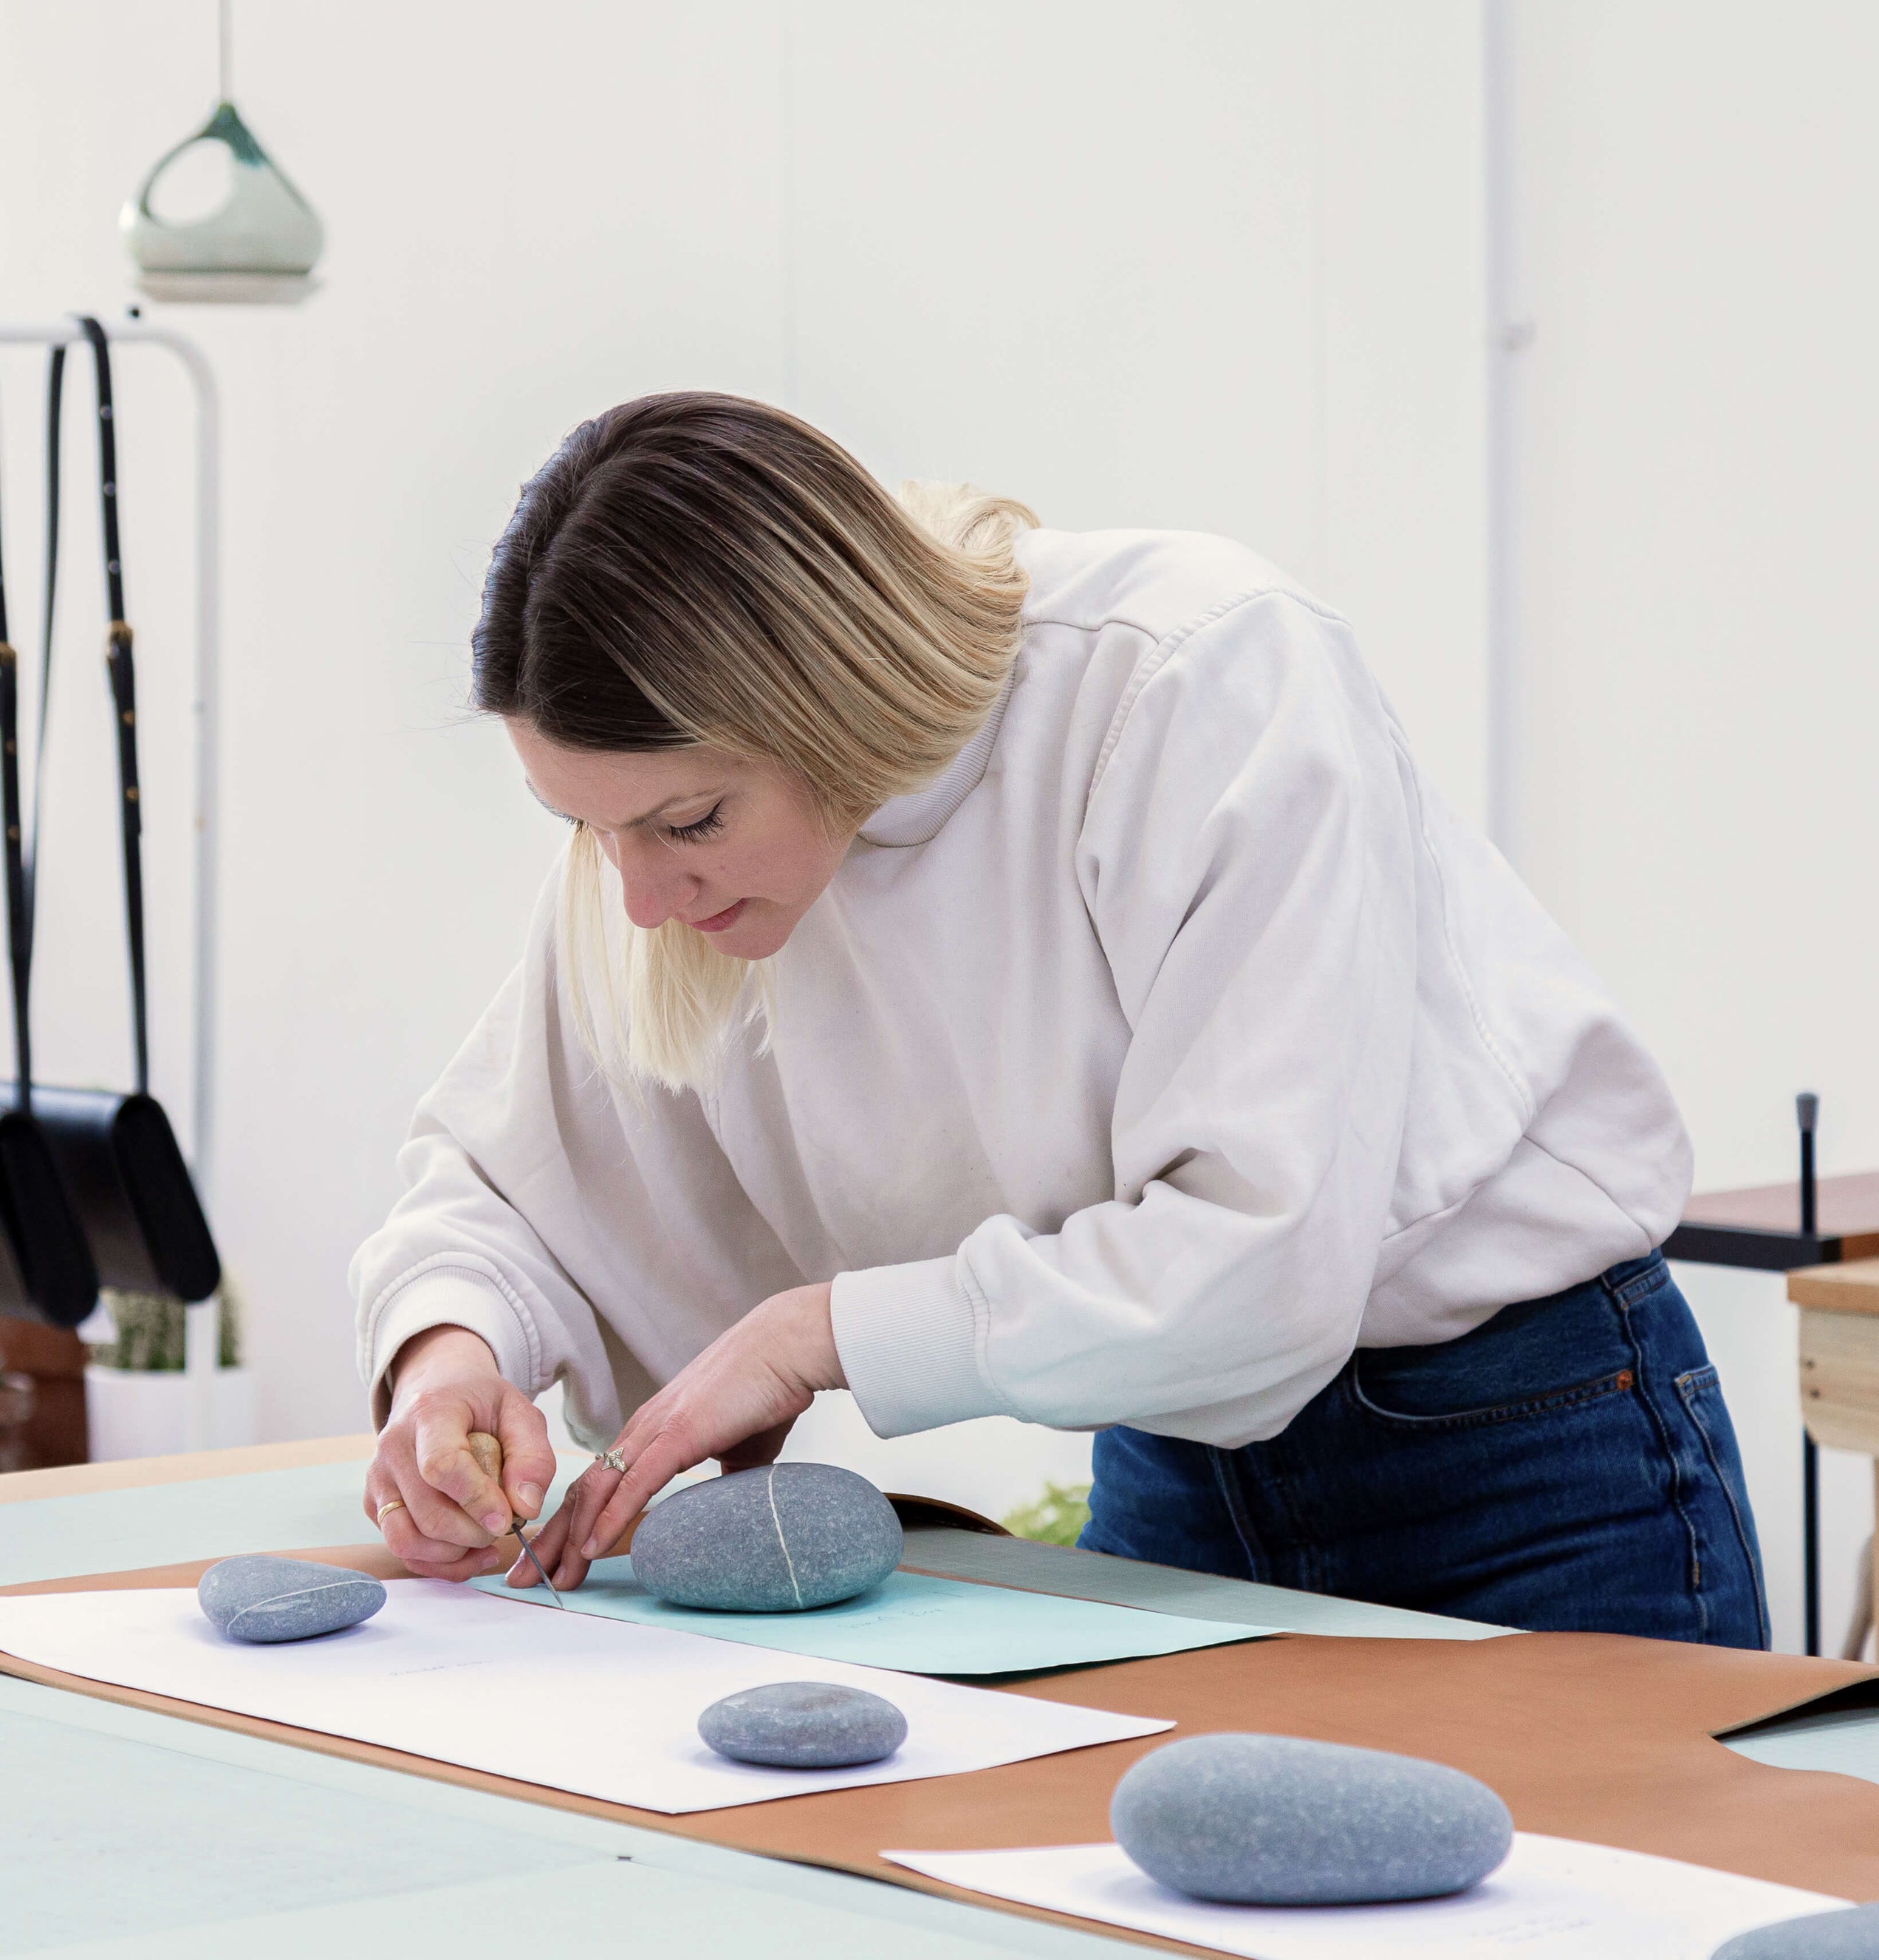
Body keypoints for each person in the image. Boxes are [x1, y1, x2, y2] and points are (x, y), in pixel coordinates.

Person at [350, 392, 1766, 1647]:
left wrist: (817, 1335)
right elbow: (509, 1185)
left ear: (824, 700)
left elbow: (1263, 1277)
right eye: (588, 830)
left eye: (689, 822)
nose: (640, 897)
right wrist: (451, 1357)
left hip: (1525, 1453)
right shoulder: (659, 850)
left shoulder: (1194, 673)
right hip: (1178, 1462)